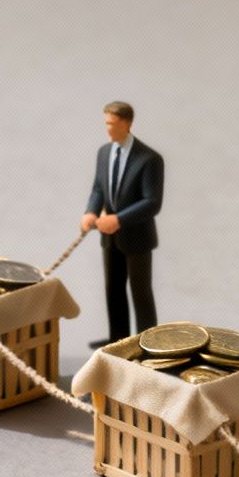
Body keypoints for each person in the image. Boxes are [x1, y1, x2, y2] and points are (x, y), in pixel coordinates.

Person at [79, 101, 164, 348]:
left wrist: (118, 219)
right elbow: (98, 188)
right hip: (109, 237)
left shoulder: (150, 159)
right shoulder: (104, 153)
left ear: (126, 124)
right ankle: (119, 339)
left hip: (137, 237)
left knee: (140, 293)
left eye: (111, 124)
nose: (107, 129)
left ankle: (150, 345)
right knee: (113, 289)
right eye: (106, 123)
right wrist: (90, 212)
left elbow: (152, 202)